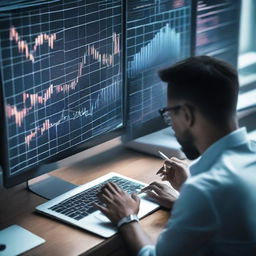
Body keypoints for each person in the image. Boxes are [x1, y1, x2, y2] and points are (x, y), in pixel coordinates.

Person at [95, 56, 256, 256]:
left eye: (169, 113)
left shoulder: (206, 190)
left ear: (187, 115)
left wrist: (126, 218)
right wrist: (186, 199)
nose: (170, 122)